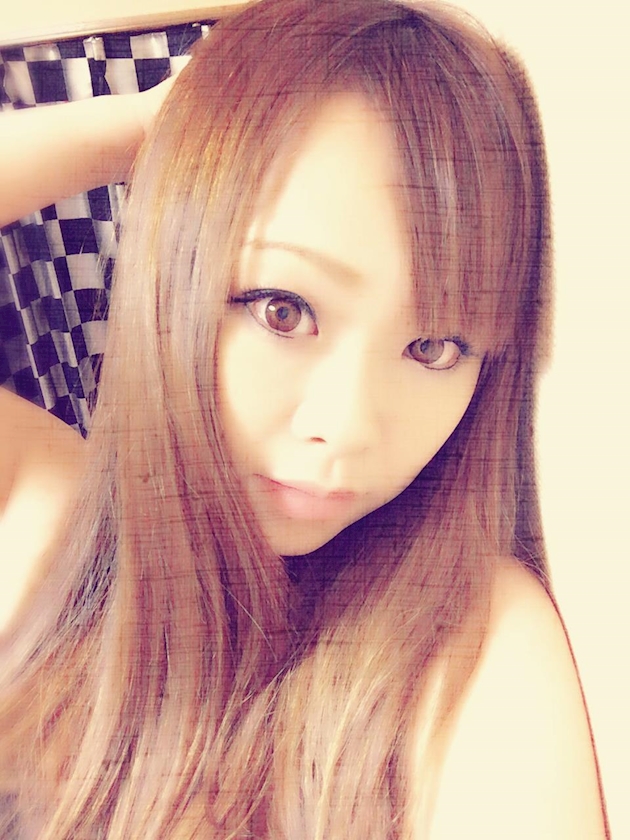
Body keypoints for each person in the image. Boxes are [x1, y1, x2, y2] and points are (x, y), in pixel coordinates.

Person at [0, 0, 609, 837]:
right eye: (282, 311)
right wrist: (150, 129)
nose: (347, 427)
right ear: (172, 271)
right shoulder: (43, 519)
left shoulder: (468, 641)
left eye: (434, 347)